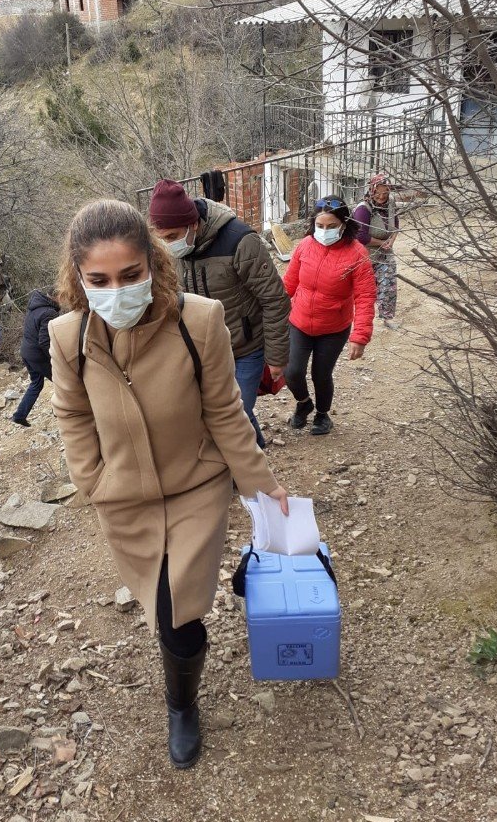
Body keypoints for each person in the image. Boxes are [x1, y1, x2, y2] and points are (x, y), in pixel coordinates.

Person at [49, 200, 288, 769]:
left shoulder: (198, 320)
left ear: (153, 264)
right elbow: (73, 415)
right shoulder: (69, 336)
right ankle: (180, 689)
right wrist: (93, 480)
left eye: (130, 275)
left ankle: (181, 705)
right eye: (99, 280)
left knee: (177, 611)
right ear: (79, 278)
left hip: (195, 489)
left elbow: (228, 414)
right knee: (162, 606)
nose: (117, 289)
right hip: (123, 499)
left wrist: (263, 486)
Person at [147, 179, 291, 449]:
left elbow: (275, 300)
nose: (167, 246)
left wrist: (276, 357)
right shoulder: (172, 254)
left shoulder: (240, 241)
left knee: (233, 414)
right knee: (225, 415)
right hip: (202, 350)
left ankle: (246, 475)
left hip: (245, 349)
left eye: (172, 237)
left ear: (193, 224)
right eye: (160, 239)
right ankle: (255, 452)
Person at [283, 196, 377, 435]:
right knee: (292, 372)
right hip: (300, 321)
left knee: (321, 374)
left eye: (331, 226)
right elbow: (288, 284)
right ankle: (304, 404)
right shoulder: (304, 245)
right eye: (320, 226)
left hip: (334, 328)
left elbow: (365, 296)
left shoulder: (357, 254)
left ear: (343, 224)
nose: (324, 231)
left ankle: (322, 416)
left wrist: (360, 336)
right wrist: (273, 314)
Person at [352, 173, 400, 329]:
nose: (381, 197)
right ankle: (358, 321)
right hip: (364, 253)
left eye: (385, 193)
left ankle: (387, 318)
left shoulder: (391, 204)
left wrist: (391, 241)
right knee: (364, 289)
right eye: (378, 193)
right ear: (371, 190)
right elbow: (361, 236)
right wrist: (381, 242)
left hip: (385, 251)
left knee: (388, 282)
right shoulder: (363, 209)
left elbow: (395, 225)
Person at [12, 287, 60, 427]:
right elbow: (45, 341)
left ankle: (19, 415)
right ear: (55, 297)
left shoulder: (34, 307)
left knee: (36, 384)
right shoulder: (49, 313)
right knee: (62, 380)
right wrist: (55, 358)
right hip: (38, 355)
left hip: (26, 352)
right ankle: (60, 409)